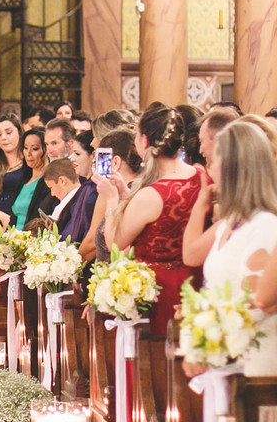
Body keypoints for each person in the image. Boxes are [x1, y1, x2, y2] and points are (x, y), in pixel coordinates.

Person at [183, 121, 277, 376]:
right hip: (225, 361)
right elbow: (193, 257)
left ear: (232, 169)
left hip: (253, 366)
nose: (209, 167)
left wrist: (208, 338)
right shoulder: (230, 223)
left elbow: (258, 303)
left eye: (215, 161)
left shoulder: (265, 225)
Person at [104, 103, 204, 336]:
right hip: (196, 284)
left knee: (158, 364)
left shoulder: (152, 195)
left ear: (145, 140)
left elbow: (115, 245)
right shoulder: (202, 178)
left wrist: (111, 199)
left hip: (158, 292)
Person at [80, 127, 142, 263]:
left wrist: (111, 199)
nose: (96, 166)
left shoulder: (137, 193)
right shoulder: (120, 189)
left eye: (100, 160)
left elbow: (117, 247)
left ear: (115, 162)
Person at [43, 158, 94, 244]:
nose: (52, 194)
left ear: (62, 181)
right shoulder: (81, 196)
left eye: (51, 187)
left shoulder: (73, 203)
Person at [9, 128, 52, 230]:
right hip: (14, 240)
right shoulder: (23, 180)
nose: (28, 154)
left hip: (33, 241)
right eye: (25, 147)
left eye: (35, 149)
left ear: (46, 150)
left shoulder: (49, 183)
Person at [0, 113, 26, 228]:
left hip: (23, 222)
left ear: (19, 132)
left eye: (9, 132)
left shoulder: (30, 162)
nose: (3, 137)